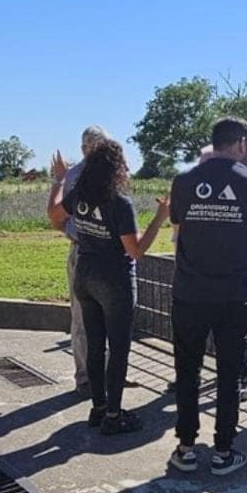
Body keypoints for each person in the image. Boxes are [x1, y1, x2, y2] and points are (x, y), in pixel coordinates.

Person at [168, 117, 247, 476]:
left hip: (189, 292)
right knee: (229, 374)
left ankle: (185, 447)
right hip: (234, 294)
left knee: (187, 371)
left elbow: (177, 225)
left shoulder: (182, 182)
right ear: (241, 143)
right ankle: (224, 451)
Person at [47, 138, 170, 435]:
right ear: (115, 169)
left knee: (95, 345)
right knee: (118, 349)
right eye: (124, 164)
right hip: (114, 281)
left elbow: (54, 216)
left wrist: (60, 181)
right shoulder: (120, 203)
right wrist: (160, 217)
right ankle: (114, 416)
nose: (127, 169)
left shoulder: (79, 195)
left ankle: (99, 408)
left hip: (85, 275)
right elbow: (135, 251)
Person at [49, 125, 111, 399]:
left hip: (109, 253)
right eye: (93, 146)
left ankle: (111, 373)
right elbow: (56, 217)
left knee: (111, 319)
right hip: (84, 251)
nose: (98, 151)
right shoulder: (73, 177)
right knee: (83, 318)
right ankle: (85, 377)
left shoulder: (115, 173)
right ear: (84, 149)